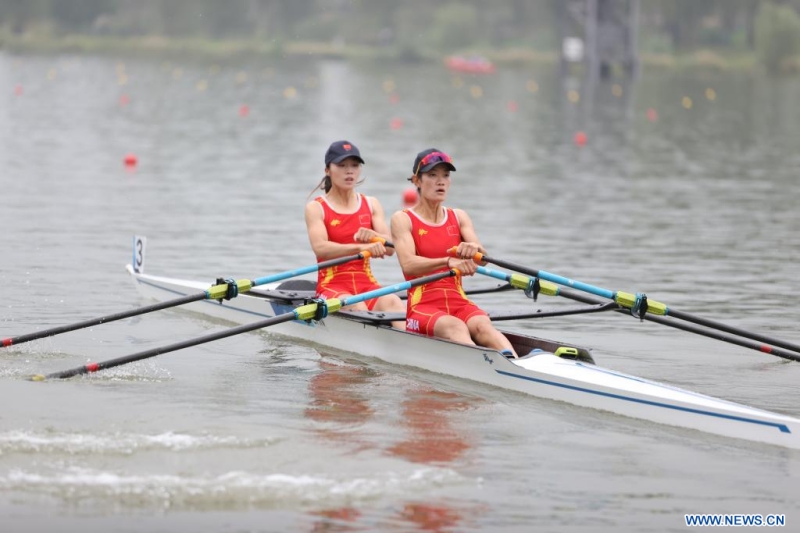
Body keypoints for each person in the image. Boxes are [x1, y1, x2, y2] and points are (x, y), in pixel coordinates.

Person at [390, 148, 517, 356]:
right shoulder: (402, 219)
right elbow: (408, 265)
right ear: (416, 181)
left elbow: (482, 259)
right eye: (432, 175)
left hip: (458, 300)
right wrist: (448, 262)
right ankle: (483, 370)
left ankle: (517, 368)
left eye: (445, 175)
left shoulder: (459, 217)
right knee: (456, 327)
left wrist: (474, 250)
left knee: (483, 326)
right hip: (423, 306)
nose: (440, 181)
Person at [305, 140, 405, 328]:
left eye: (354, 165)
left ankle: (412, 351)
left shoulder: (371, 203)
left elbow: (391, 248)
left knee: (393, 302)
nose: (349, 171)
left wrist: (377, 237)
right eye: (341, 165)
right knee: (357, 305)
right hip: (332, 287)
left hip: (366, 284)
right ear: (328, 170)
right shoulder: (316, 207)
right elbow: (320, 248)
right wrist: (361, 246)